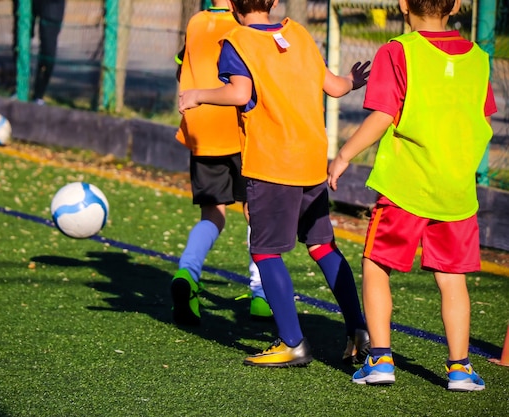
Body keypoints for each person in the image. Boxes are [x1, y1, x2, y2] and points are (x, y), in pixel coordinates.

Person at [179, 0, 371, 367]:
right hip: (312, 159)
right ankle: (358, 329)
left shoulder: (236, 41)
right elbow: (333, 87)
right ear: (274, 2)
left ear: (233, 4)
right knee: (322, 246)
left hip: (272, 165)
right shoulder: (297, 33)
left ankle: (292, 343)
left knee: (265, 251)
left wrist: (198, 95)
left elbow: (238, 93)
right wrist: (353, 80)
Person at [327, 0, 496, 391]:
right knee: (453, 278)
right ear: (456, 6)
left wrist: (343, 155)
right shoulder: (479, 59)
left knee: (375, 264)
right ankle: (459, 368)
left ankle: (380, 359)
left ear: (402, 4)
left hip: (404, 186)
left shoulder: (397, 50)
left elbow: (384, 113)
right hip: (456, 190)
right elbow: (483, 120)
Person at [171, 0, 273, 327]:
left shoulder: (196, 22)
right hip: (241, 129)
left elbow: (180, 69)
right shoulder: (247, 27)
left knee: (212, 213)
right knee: (253, 210)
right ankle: (261, 294)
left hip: (201, 128)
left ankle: (188, 271)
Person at [12, 0, 66, 105]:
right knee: (20, 42)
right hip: (25, 2)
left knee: (48, 48)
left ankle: (38, 96)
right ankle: (19, 89)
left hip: (53, 4)